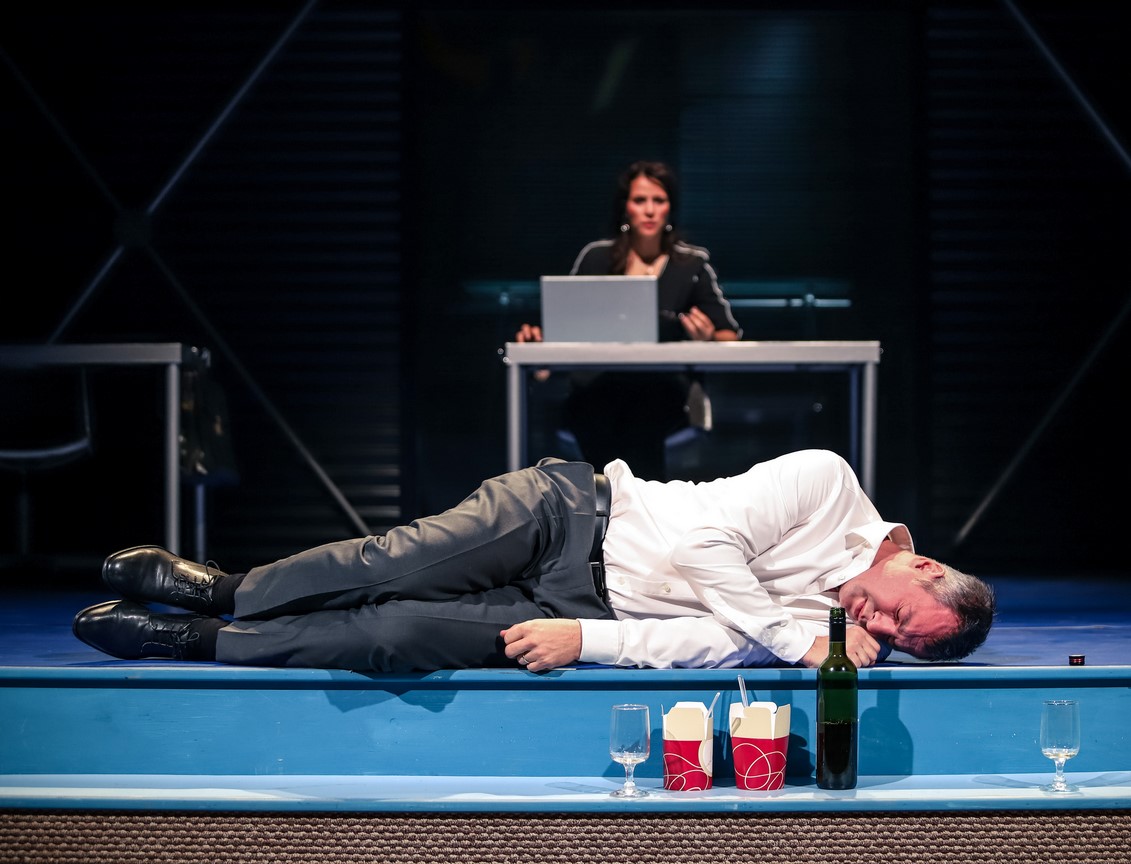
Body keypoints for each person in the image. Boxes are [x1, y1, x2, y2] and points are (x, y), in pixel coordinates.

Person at [72, 449, 995, 673]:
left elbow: (707, 645)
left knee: (396, 637)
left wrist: (585, 641)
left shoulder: (828, 631)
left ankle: (193, 640)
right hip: (568, 516)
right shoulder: (827, 484)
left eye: (892, 642)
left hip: (582, 609)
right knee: (394, 563)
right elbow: (702, 546)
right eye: (894, 616)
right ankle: (222, 588)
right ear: (919, 567)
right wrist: (798, 640)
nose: (872, 627)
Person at [516, 160, 742, 479]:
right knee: (596, 409)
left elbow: (729, 335)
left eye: (658, 200)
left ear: (670, 208)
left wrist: (706, 338)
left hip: (662, 393)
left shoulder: (691, 265)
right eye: (640, 200)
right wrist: (539, 340)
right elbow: (563, 326)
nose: (649, 210)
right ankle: (605, 500)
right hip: (597, 392)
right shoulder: (596, 258)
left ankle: (629, 500)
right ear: (626, 207)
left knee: (643, 412)